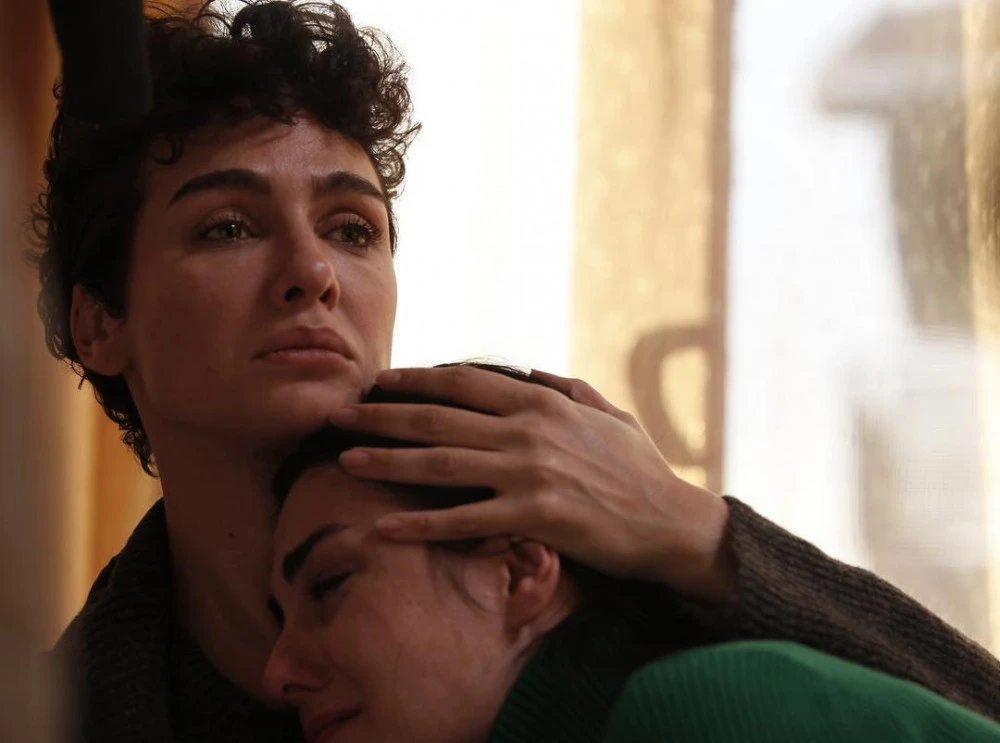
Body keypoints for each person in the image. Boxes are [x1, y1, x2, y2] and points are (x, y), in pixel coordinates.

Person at [29, 2, 1000, 741]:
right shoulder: (60, 706)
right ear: (100, 321)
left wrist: (696, 533)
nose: (312, 272)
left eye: (352, 228)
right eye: (229, 226)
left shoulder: (583, 591)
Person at [263, 362, 1000, 743]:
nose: (278, 672)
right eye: (278, 618)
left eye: (329, 584)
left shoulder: (704, 711)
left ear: (519, 570)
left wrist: (699, 531)